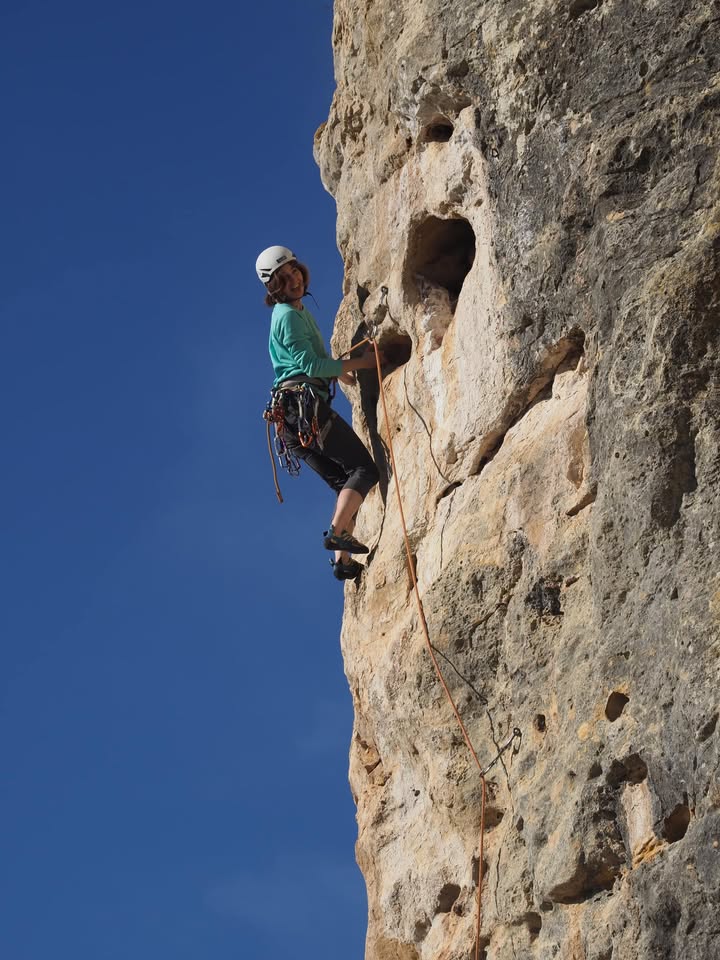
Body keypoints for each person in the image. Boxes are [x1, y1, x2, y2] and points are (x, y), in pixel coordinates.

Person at [256, 245, 381, 581]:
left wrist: (338, 372)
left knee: (345, 484)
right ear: (275, 288)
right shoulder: (288, 316)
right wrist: (361, 362)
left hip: (291, 420)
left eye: (294, 271)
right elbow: (310, 365)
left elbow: (308, 360)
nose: (294, 279)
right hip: (302, 410)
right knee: (364, 469)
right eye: (284, 278)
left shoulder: (295, 312)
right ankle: (338, 534)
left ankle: (343, 562)